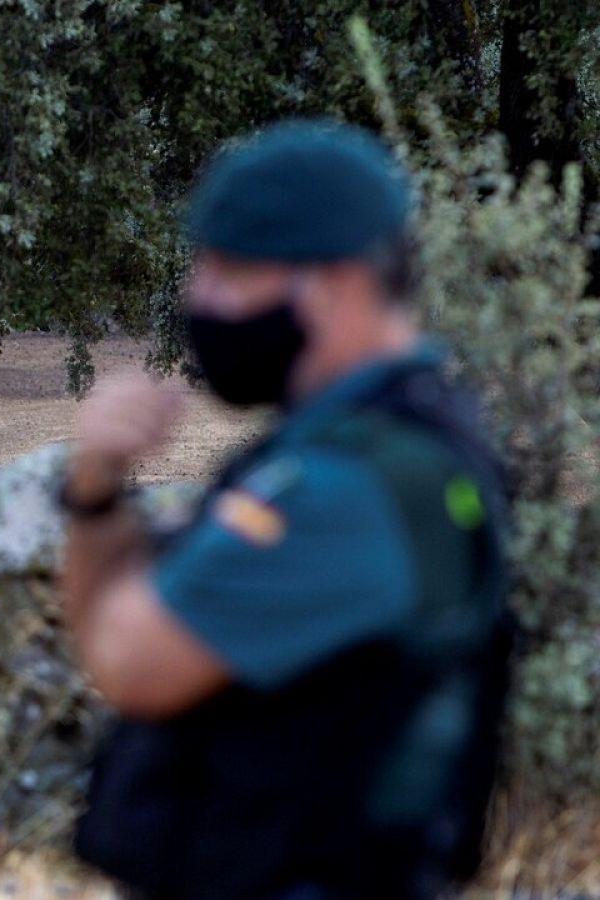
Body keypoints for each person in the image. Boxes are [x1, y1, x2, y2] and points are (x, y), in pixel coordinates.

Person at [58, 120, 512, 899]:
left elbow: (129, 660)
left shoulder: (342, 490)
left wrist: (92, 490)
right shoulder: (399, 443)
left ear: (334, 284)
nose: (197, 297)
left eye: (230, 270)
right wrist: (98, 486)